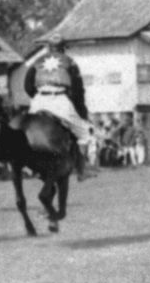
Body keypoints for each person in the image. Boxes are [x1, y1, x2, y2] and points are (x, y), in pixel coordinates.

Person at [23, 33, 97, 179]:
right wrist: (81, 112)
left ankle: (26, 165)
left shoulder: (36, 61)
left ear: (49, 47)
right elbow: (78, 91)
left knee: (24, 131)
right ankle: (82, 170)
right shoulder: (70, 62)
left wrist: (38, 97)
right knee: (85, 133)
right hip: (60, 100)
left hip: (38, 100)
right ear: (63, 48)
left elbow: (27, 86)